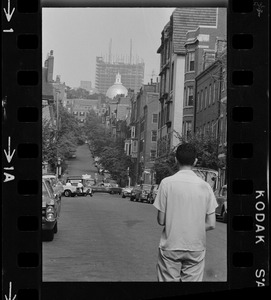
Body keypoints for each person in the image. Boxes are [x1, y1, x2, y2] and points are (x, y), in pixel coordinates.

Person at [153, 143, 218, 282]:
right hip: (196, 246)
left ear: (176, 160)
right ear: (195, 161)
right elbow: (211, 224)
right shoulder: (206, 187)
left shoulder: (166, 183)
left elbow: (161, 220)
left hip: (171, 244)